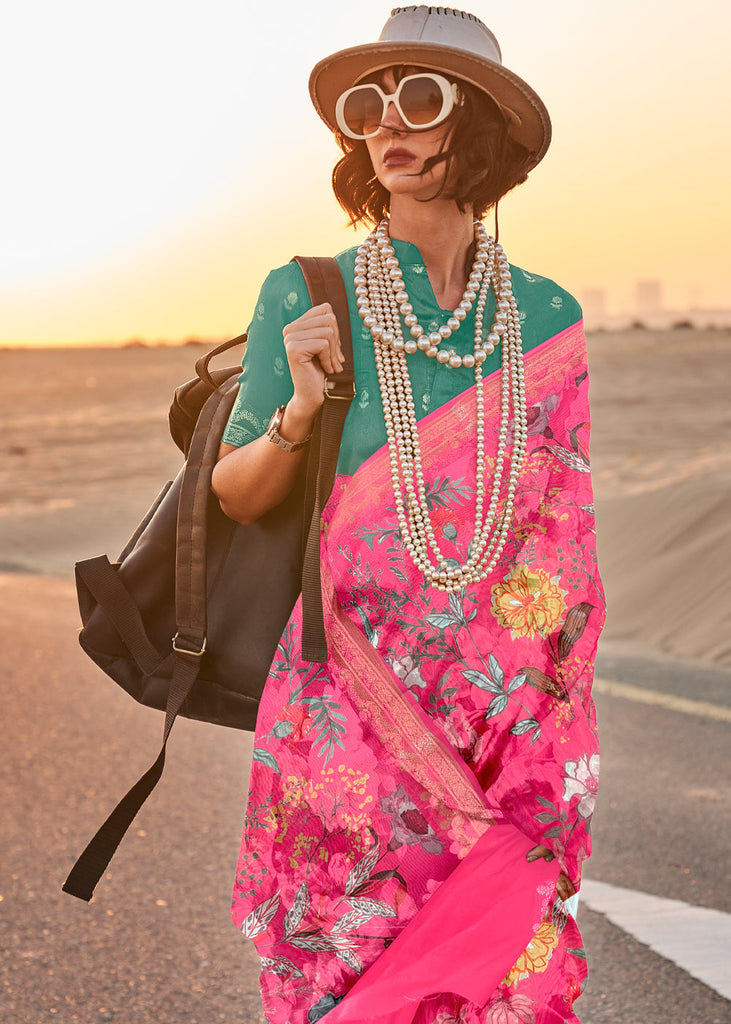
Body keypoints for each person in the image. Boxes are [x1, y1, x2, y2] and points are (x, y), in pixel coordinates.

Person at [211, 7, 604, 1023]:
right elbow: (235, 490)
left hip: (497, 707)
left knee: (496, 961)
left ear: (477, 125)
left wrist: (542, 709)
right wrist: (300, 409)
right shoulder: (308, 292)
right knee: (344, 955)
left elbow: (560, 534)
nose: (386, 123)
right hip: (344, 687)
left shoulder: (546, 317)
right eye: (366, 104)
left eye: (417, 98)